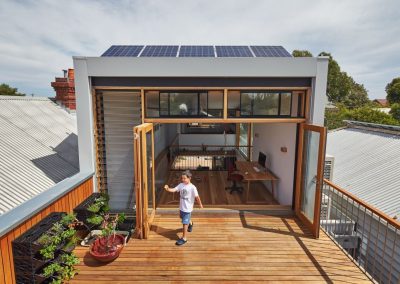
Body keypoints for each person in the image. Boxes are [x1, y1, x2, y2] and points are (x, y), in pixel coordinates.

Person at [164, 170, 203, 246]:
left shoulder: (192, 187)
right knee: (182, 218)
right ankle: (191, 223)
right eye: (182, 178)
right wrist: (168, 189)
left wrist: (200, 204)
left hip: (188, 208)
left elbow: (197, 197)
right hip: (182, 207)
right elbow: (174, 189)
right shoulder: (181, 185)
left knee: (184, 223)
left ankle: (184, 238)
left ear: (189, 178)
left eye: (185, 178)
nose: (183, 180)